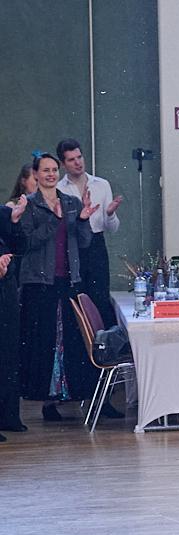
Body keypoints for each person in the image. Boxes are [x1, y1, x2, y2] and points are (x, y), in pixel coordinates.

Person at [17, 153, 99, 421]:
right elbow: (27, 243)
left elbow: (84, 242)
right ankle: (48, 399)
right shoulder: (29, 205)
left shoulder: (71, 202)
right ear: (36, 174)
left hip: (68, 280)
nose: (51, 174)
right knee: (46, 341)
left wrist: (84, 220)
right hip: (40, 283)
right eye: (45, 170)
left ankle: (70, 394)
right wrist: (53, 219)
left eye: (54, 170)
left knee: (70, 339)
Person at [55, 138, 123, 328]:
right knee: (75, 299)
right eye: (71, 160)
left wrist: (110, 214)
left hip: (96, 245)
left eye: (79, 157)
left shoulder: (101, 184)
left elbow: (113, 228)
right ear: (63, 164)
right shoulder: (59, 189)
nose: (78, 162)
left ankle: (104, 341)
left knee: (100, 296)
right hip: (71, 247)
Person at [0, 196, 28, 438]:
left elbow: (20, 248)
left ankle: (8, 416)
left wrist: (16, 220)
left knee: (8, 354)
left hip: (6, 292)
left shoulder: (2, 213)